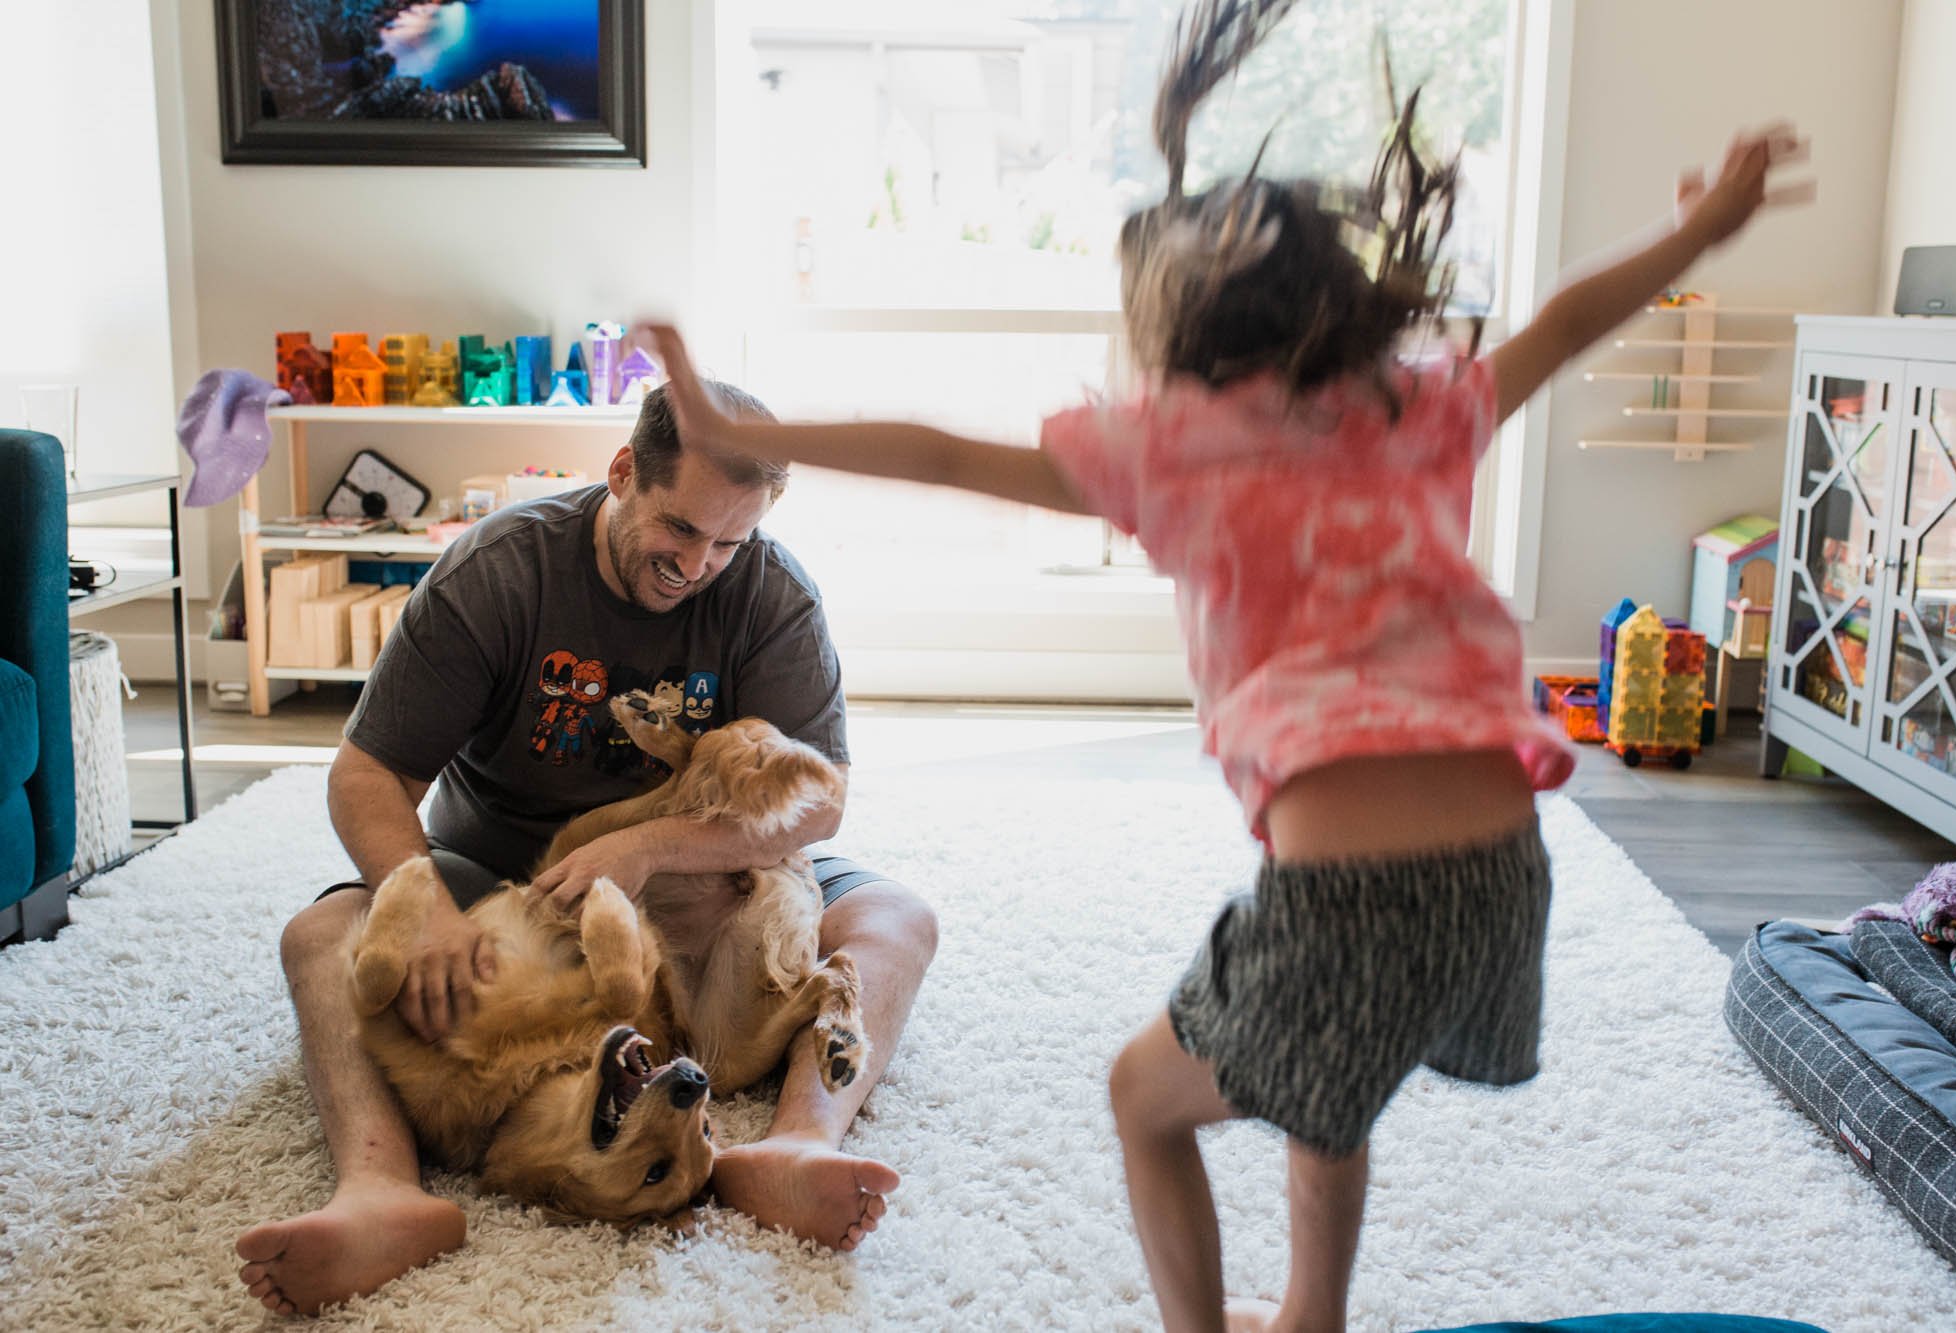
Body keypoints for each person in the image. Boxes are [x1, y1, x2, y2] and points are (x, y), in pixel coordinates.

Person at [637, 13, 1809, 1329]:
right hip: (1506, 875)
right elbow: (1565, 319)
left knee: (1147, 1101)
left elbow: (944, 452)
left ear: (1178, 331)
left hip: (1348, 895)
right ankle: (1312, 1315)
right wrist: (1698, 234)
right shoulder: (1412, 404)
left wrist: (742, 423)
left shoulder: (1173, 448)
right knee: (1332, 1087)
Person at [234, 382, 939, 1317]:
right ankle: (381, 1190)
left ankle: (796, 1142)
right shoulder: (499, 572)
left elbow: (822, 803)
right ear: (622, 474)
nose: (698, 565)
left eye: (729, 542)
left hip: (691, 865)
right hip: (504, 870)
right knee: (324, 934)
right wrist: (433, 914)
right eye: (680, 530)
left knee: (898, 918)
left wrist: (650, 848)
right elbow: (366, 775)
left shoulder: (770, 593)